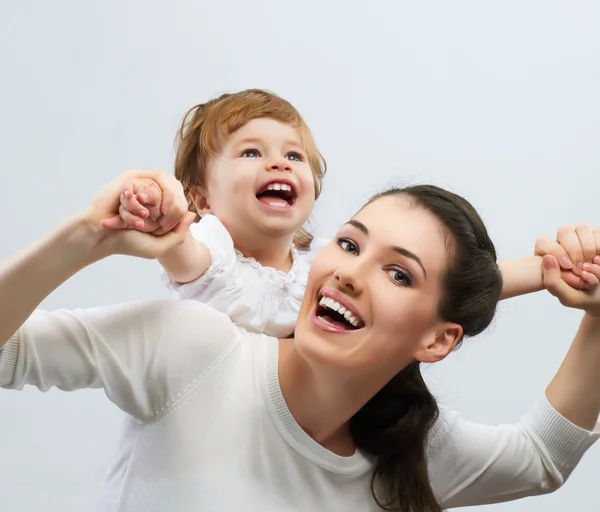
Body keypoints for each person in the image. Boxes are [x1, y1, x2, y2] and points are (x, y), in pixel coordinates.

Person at [1, 171, 599, 512]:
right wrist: (87, 234)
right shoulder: (196, 351)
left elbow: (543, 458)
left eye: (398, 274)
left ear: (439, 342)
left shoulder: (409, 449)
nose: (348, 273)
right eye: (349, 244)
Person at [105, 89, 594, 339]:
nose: (278, 162)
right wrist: (160, 215)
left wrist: (551, 270)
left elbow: (442, 283)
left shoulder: (323, 263)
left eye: (294, 157)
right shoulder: (209, 251)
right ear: (203, 200)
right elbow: (180, 250)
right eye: (251, 153)